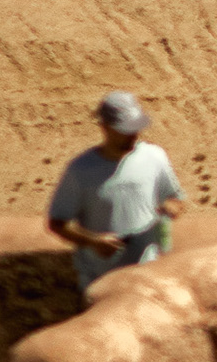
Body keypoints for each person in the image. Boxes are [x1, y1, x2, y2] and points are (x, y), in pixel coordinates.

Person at [47, 91, 187, 292]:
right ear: (104, 127)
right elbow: (58, 223)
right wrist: (94, 241)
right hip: (100, 282)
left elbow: (175, 198)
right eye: (125, 129)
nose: (132, 134)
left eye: (135, 127)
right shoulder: (80, 170)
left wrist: (171, 206)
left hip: (148, 277)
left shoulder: (155, 157)